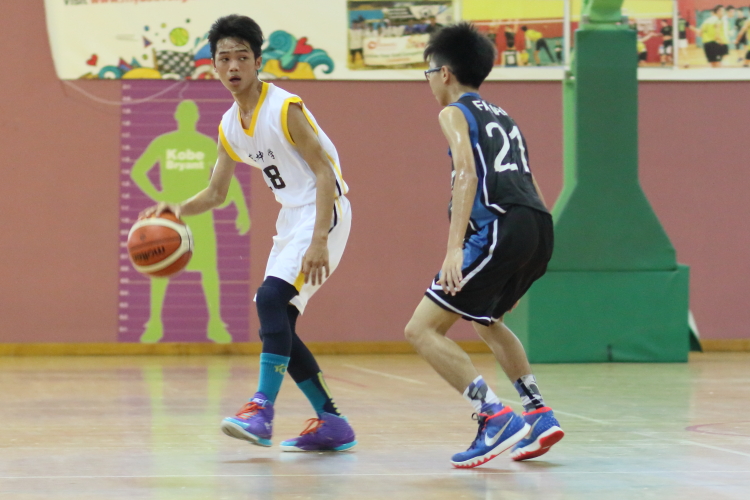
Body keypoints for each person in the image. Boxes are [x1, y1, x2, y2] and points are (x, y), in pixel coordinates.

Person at [141, 14, 356, 452]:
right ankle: (333, 421)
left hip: (323, 211)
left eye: (243, 56)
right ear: (214, 66)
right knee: (275, 314)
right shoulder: (229, 125)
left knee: (273, 300)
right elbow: (217, 193)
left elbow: (324, 175)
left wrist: (318, 239)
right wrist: (176, 209)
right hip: (291, 220)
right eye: (225, 58)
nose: (234, 65)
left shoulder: (285, 108)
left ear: (258, 62)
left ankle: (262, 409)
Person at [409, 22, 563, 468]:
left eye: (427, 74)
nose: (428, 84)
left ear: (445, 73)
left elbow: (466, 174)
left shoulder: (454, 111)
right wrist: (528, 250)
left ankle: (493, 416)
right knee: (487, 319)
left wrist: (454, 247)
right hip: (538, 224)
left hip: (500, 225)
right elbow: (529, 180)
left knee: (420, 330)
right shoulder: (504, 116)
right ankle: (538, 412)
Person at [131, 100, 250, 344]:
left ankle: (215, 323)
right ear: (177, 116)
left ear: (195, 117)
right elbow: (138, 171)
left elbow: (225, 179)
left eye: (190, 113)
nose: (187, 117)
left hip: (199, 213)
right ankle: (154, 323)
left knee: (208, 270)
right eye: (183, 113)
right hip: (168, 215)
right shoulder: (164, 142)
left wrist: (242, 210)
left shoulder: (204, 144)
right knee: (159, 268)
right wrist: (159, 197)